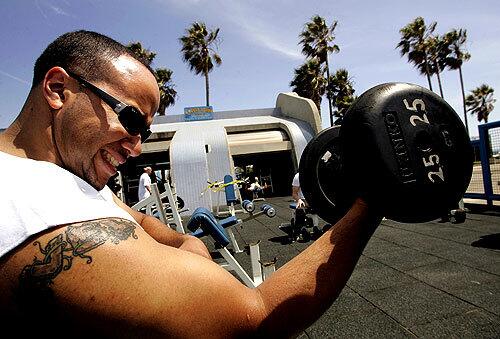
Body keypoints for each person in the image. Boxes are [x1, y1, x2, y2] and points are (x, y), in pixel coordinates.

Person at [0, 30, 380, 337]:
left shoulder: (64, 178)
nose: (135, 148)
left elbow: (142, 222)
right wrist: (373, 201)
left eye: (144, 135)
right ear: (57, 89)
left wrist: (189, 242)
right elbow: (256, 318)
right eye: (131, 120)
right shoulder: (39, 212)